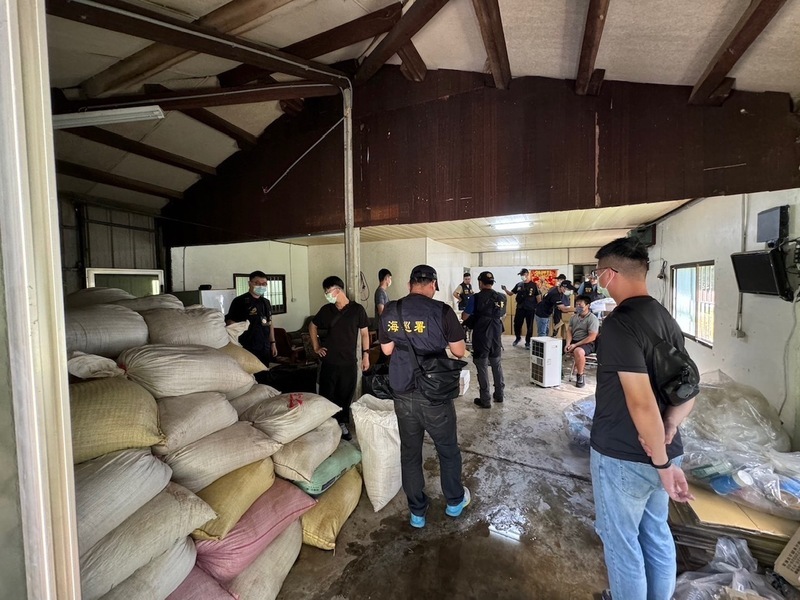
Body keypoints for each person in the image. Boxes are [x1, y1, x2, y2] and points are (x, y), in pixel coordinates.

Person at [589, 237, 695, 600]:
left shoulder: (620, 324)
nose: (596, 279)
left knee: (622, 545)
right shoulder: (664, 318)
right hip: (663, 447)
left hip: (625, 454)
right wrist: (670, 429)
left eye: (597, 273)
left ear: (610, 274)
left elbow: (641, 403)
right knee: (656, 533)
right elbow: (688, 386)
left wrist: (661, 461)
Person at [379, 265, 470, 529]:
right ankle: (454, 502)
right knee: (447, 450)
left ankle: (417, 512)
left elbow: (386, 350)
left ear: (409, 285)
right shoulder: (442, 311)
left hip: (403, 392)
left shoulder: (391, 310)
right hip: (434, 394)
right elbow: (460, 351)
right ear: (433, 285)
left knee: (409, 453)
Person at [308, 276, 370, 441]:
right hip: (329, 362)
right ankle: (327, 426)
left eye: (328, 291)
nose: (327, 295)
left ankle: (341, 424)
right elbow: (312, 326)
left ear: (338, 290)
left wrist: (366, 355)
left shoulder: (357, 310)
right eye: (326, 292)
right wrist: (316, 347)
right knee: (327, 395)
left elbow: (364, 333)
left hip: (348, 363)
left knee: (345, 395)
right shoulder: (326, 310)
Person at [461, 271, 506, 408]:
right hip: (496, 334)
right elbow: (501, 315)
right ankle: (499, 395)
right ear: (492, 283)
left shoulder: (475, 298)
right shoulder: (502, 297)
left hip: (482, 335)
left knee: (482, 366)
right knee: (496, 364)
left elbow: (464, 317)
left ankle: (485, 400)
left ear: (480, 282)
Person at [225, 270, 278, 368]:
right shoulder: (240, 301)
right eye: (257, 283)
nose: (261, 286)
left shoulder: (266, 302)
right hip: (247, 346)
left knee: (264, 372)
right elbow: (230, 323)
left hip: (264, 345)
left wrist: (273, 343)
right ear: (250, 283)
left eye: (264, 284)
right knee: (250, 374)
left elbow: (270, 323)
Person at [565, 294, 599, 388]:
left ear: (587, 305)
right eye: (577, 305)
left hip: (587, 343)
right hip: (574, 340)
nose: (578, 307)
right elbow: (569, 331)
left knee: (578, 351)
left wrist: (575, 345)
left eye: (581, 305)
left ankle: (580, 375)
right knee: (554, 346)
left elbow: (592, 337)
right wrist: (568, 343)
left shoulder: (592, 319)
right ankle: (555, 372)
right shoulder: (574, 317)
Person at [501, 268, 541, 349]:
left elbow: (538, 297)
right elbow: (511, 294)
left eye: (523, 274)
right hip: (520, 308)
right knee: (517, 324)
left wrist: (538, 307)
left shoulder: (533, 285)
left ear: (527, 274)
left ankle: (527, 342)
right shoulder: (519, 285)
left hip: (530, 308)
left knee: (529, 326)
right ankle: (518, 337)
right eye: (521, 275)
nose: (522, 276)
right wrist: (505, 289)